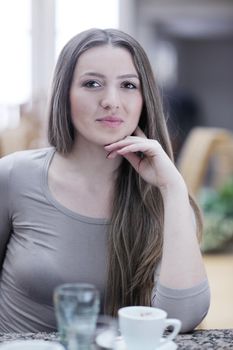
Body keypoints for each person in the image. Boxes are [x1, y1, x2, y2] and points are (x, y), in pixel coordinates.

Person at [0, 28, 210, 333]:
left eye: (128, 85)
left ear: (143, 99)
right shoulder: (14, 176)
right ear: (64, 94)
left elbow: (182, 319)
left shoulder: (166, 194)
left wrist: (173, 189)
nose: (111, 101)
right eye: (92, 83)